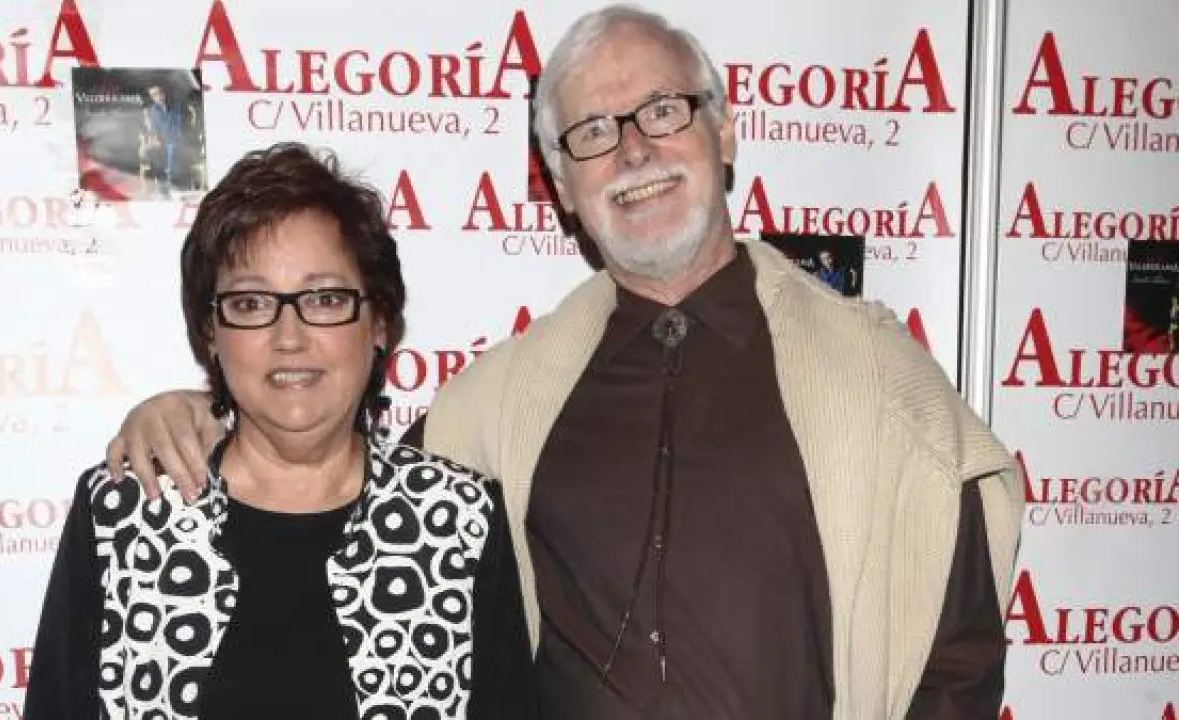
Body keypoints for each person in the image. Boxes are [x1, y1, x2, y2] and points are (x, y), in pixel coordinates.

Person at [103, 6, 1024, 719]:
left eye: (661, 110)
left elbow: (959, 655)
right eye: (592, 132)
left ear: (724, 130)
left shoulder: (877, 378)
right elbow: (333, 458)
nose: (633, 150)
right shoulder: (506, 400)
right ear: (564, 186)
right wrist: (203, 411)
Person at [24, 142, 535, 719]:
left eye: (325, 298)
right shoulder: (126, 511)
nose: (288, 337)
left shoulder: (456, 520)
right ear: (211, 334)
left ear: (379, 323)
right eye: (250, 303)